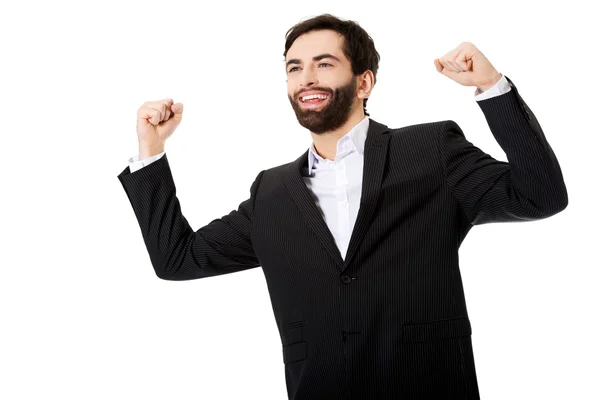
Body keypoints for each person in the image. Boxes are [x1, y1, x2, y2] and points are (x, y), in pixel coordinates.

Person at [117, 13, 568, 400]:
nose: (306, 77)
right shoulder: (271, 193)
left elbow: (540, 195)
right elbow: (177, 259)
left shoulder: (431, 150)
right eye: (294, 68)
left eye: (324, 64)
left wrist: (491, 87)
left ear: (364, 81)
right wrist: (150, 151)